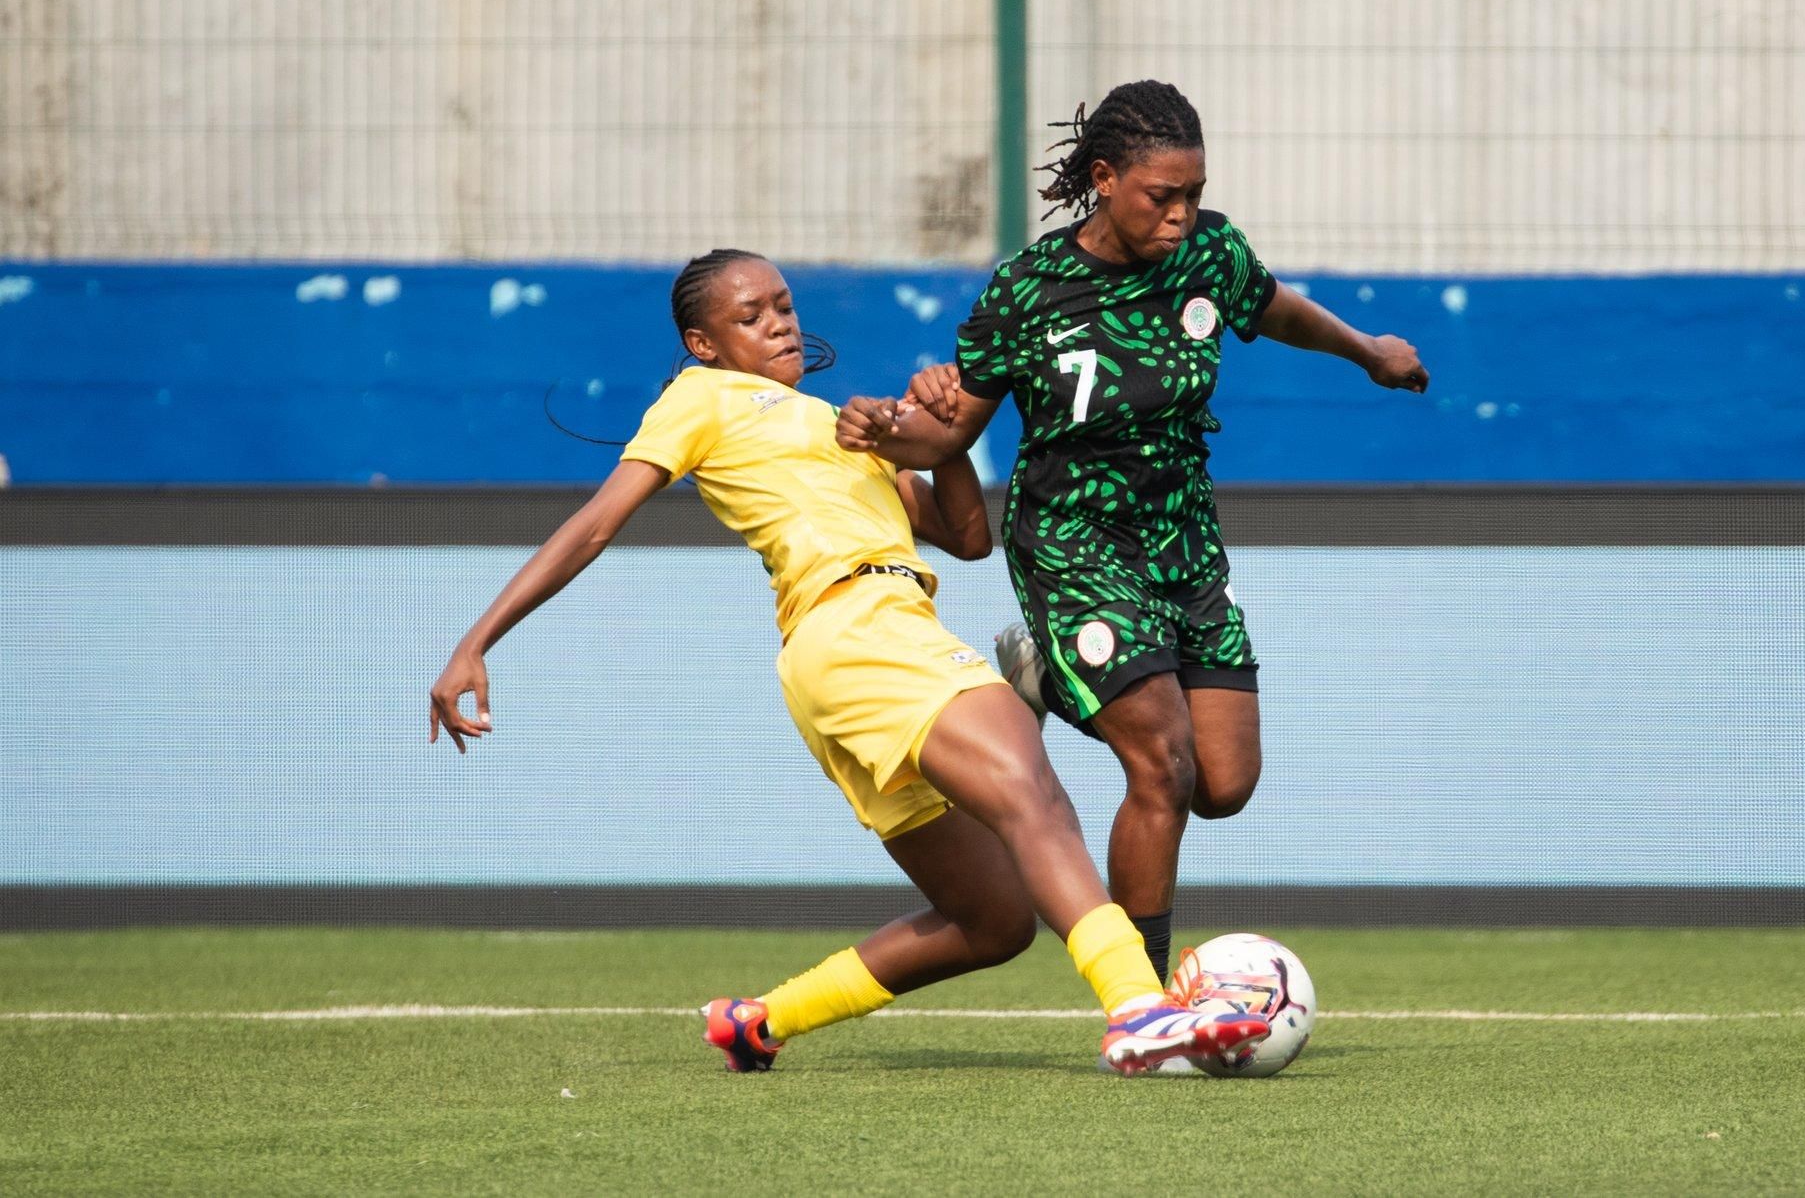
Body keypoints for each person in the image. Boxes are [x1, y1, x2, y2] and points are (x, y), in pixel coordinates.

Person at [427, 248, 1267, 1075]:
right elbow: (596, 524)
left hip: (860, 649)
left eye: (783, 305)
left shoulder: (841, 425)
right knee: (1030, 786)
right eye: (748, 315)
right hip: (858, 627)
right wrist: (476, 640)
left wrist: (937, 435)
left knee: (994, 920)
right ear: (703, 345)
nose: (777, 323)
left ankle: (759, 1019)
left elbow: (969, 537)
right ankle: (1140, 1009)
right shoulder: (703, 398)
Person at [837, 80, 1430, 978]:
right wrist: (889, 429)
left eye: (1194, 194)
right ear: (1105, 179)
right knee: (1163, 765)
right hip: (1074, 545)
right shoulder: (1028, 291)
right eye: (1164, 196)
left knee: (1223, 784)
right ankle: (1145, 998)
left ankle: (1045, 672)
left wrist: (1368, 350)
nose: (1183, 214)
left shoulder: (1210, 256)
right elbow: (952, 428)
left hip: (1184, 543)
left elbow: (1275, 309)